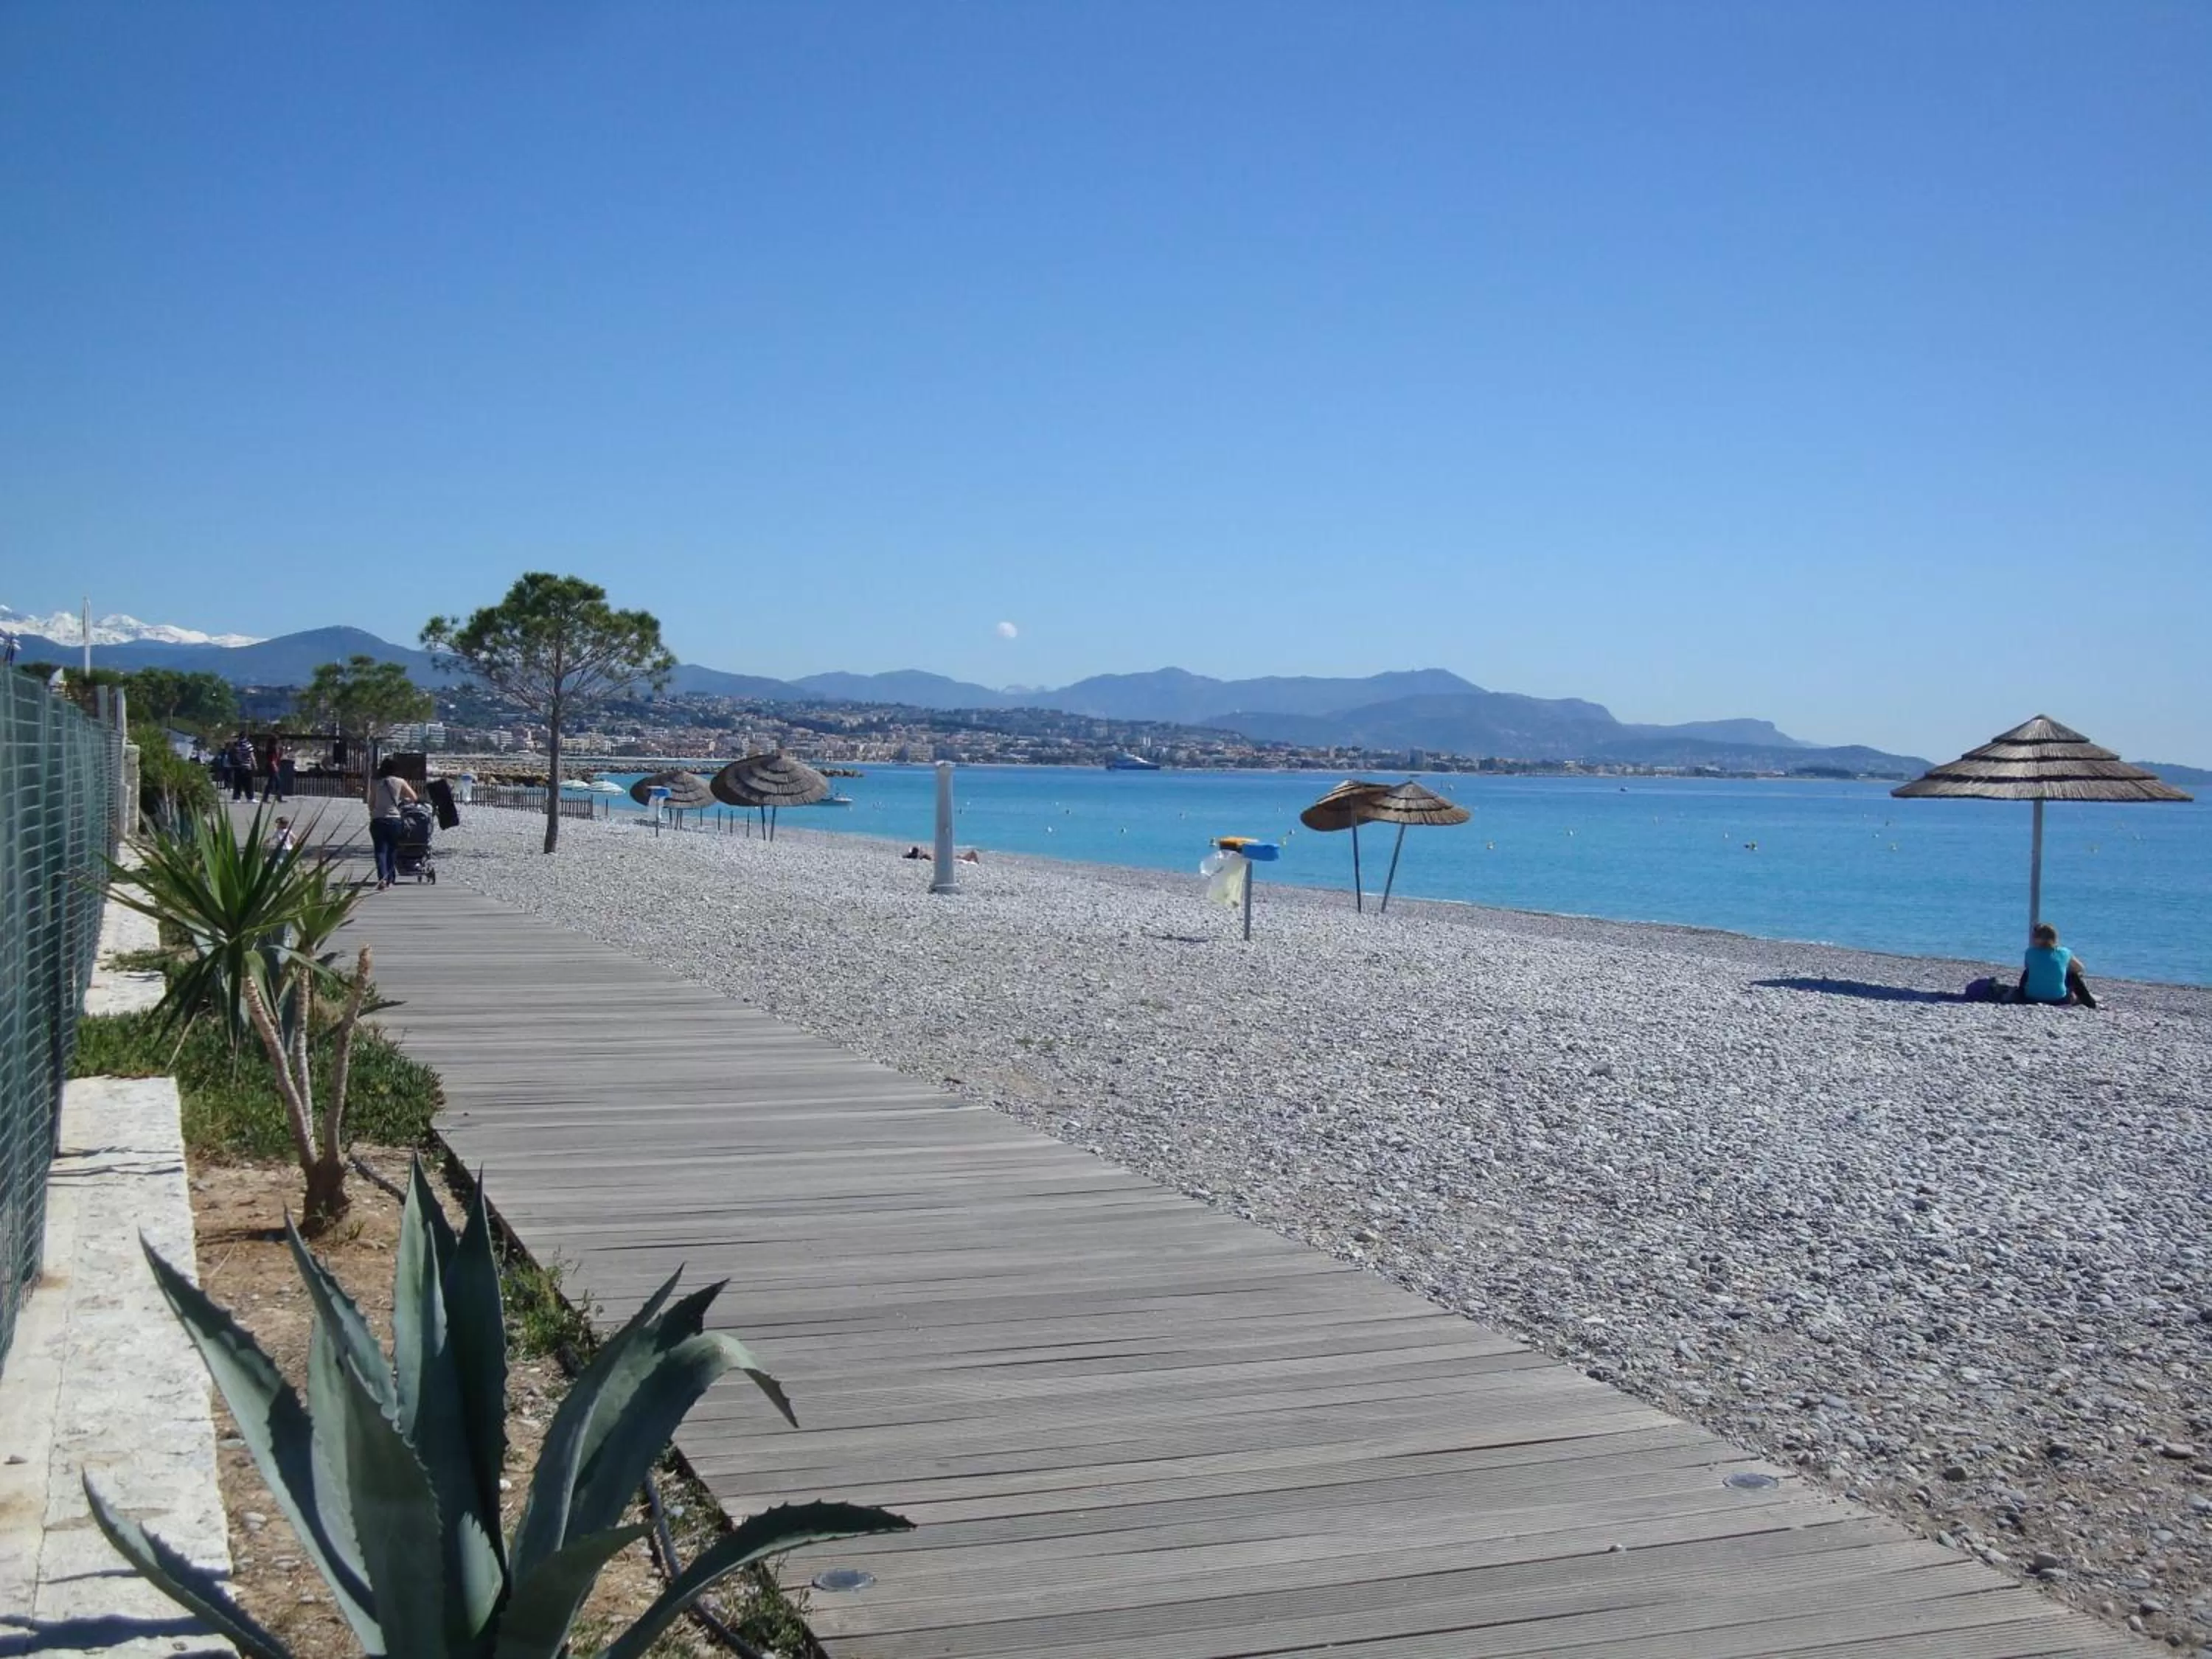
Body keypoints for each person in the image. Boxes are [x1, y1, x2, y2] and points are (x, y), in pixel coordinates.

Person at [2017, 922, 2098, 1009]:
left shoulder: (2030, 952)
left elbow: (2028, 966)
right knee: (2073, 975)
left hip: (2031, 998)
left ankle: (2020, 994)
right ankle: (2089, 1002)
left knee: (2028, 972)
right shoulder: (2064, 952)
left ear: (2035, 938)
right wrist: (2063, 968)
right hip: (2058, 1000)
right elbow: (2081, 968)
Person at [369, 759, 418, 890]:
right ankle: (391, 879)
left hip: (378, 819)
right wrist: (402, 799)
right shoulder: (400, 781)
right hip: (394, 820)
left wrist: (372, 815)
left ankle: (382, 880)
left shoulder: (375, 782)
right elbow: (414, 797)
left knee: (380, 851)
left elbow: (371, 803)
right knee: (392, 850)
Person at [260, 733, 288, 803]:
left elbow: (278, 757)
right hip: (271, 766)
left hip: (273, 766)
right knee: (275, 782)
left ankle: (272, 798)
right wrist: (275, 766)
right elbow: (271, 759)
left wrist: (282, 751)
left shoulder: (275, 748)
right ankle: (274, 798)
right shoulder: (271, 748)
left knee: (273, 783)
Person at [228, 733, 257, 801]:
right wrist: (255, 765)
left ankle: (236, 798)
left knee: (237, 783)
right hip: (247, 766)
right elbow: (251, 756)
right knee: (249, 783)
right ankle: (250, 798)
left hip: (237, 766)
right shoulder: (248, 745)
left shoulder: (236, 745)